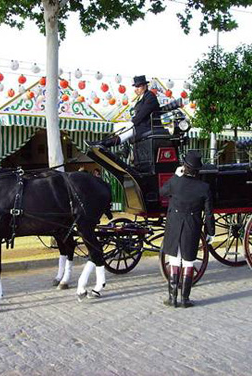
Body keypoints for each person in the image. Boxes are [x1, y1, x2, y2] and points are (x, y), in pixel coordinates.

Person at [159, 151, 215, 308]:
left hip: (174, 224)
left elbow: (162, 192)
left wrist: (175, 177)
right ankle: (185, 299)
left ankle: (172, 298)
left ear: (184, 167)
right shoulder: (204, 187)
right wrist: (211, 231)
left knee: (174, 260)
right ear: (198, 170)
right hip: (192, 225)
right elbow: (209, 213)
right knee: (189, 262)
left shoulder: (176, 182)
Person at [86, 75, 160, 148]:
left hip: (148, 126)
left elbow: (143, 113)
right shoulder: (141, 98)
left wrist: (132, 123)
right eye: (136, 87)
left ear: (145, 86)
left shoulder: (150, 96)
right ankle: (105, 143)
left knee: (127, 131)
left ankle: (104, 143)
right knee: (117, 126)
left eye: (138, 87)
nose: (136, 89)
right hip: (141, 125)